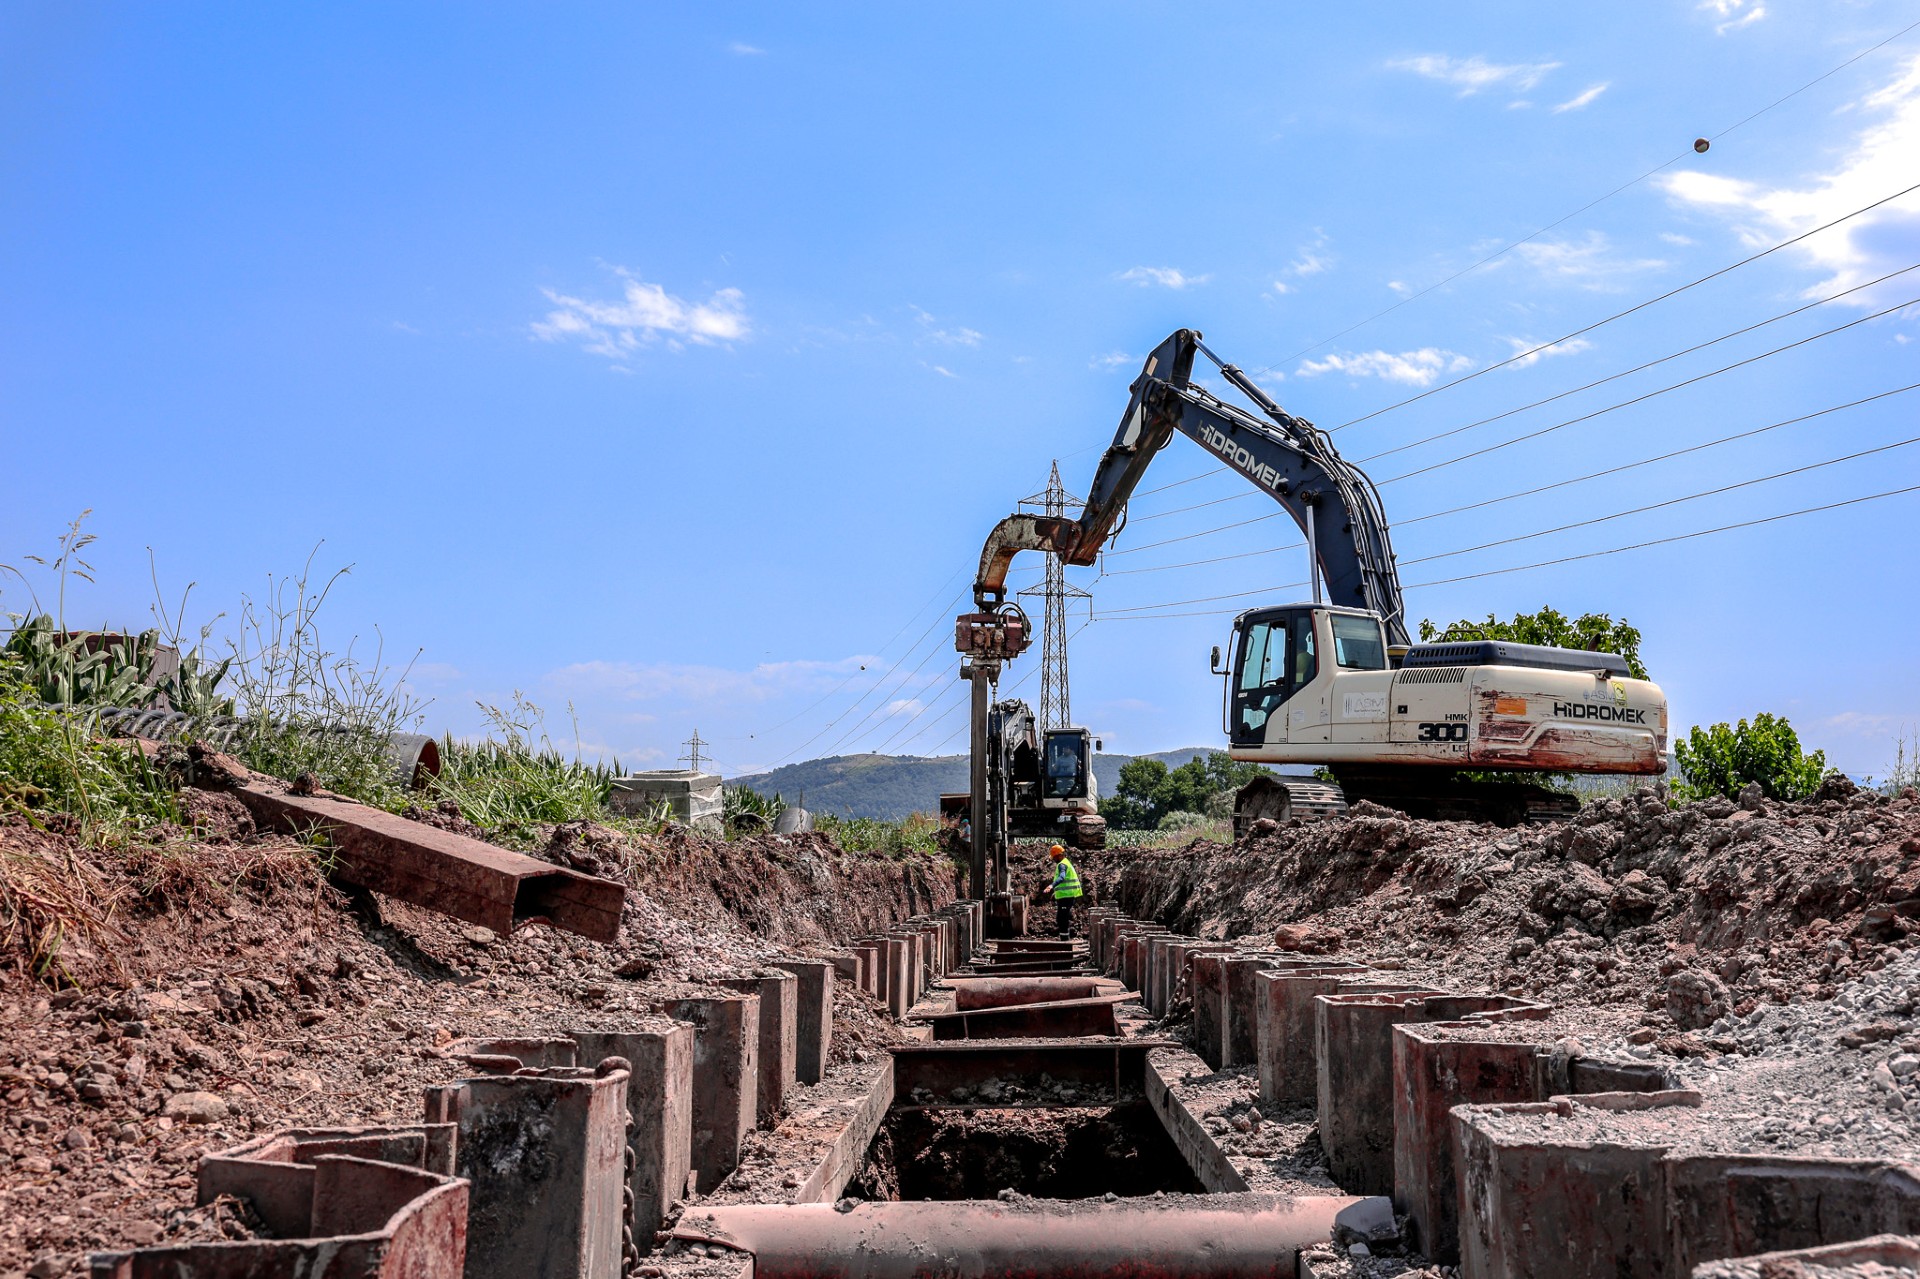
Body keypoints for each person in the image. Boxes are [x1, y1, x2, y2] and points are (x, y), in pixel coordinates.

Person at [1040, 843, 1082, 938]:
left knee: (1062, 918)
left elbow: (1062, 877)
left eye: (1054, 857)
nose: (1054, 859)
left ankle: (1065, 940)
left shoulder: (1062, 865)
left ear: (1059, 855)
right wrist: (1056, 891)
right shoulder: (1066, 862)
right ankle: (1064, 938)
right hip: (1066, 895)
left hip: (1066, 896)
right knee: (1061, 918)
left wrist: (1051, 886)